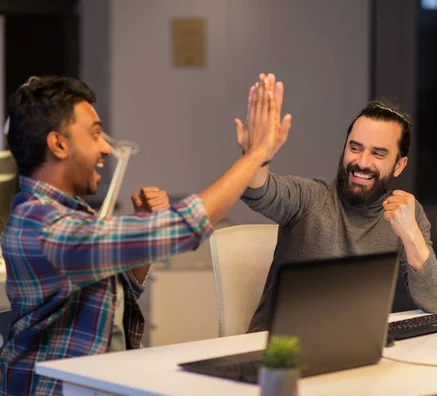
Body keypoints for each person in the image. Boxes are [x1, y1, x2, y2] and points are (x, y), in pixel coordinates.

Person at [0, 73, 286, 395]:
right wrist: (254, 156)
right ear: (58, 144)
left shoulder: (67, 212)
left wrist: (144, 227)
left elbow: (119, 296)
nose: (106, 148)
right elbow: (184, 225)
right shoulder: (46, 227)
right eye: (95, 134)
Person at [235, 98, 437, 333]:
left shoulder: (407, 213)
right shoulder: (309, 197)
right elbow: (257, 190)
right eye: (355, 148)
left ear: (399, 165)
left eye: (378, 153)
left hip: (353, 350)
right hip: (279, 354)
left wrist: (410, 234)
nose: (362, 162)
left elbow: (433, 300)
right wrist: (256, 155)